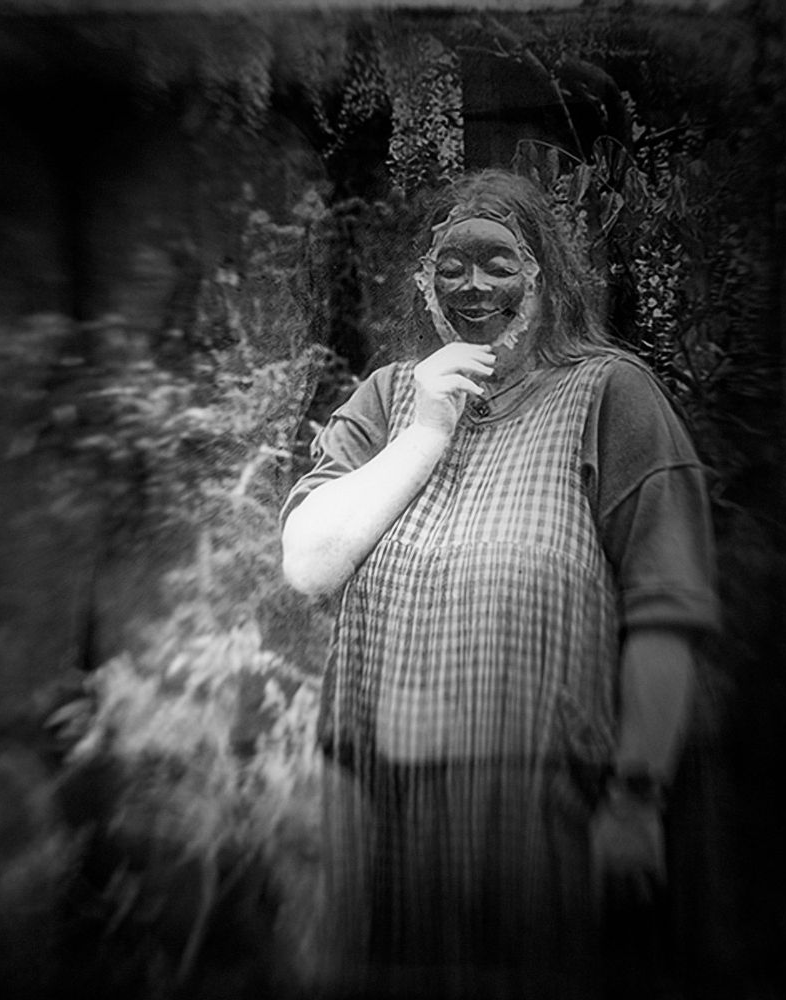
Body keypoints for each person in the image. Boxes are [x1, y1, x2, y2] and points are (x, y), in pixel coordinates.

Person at [280, 170, 718, 999]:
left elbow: (667, 610)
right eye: (452, 265)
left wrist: (636, 798)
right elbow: (309, 565)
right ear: (424, 282)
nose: (474, 286)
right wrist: (424, 431)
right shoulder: (386, 398)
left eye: (499, 262)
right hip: (366, 815)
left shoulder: (610, 393)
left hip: (539, 811)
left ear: (543, 275)